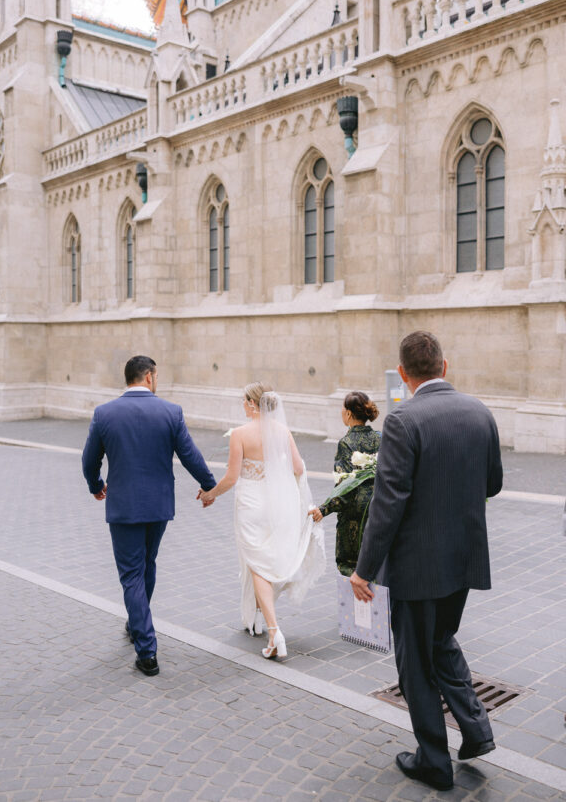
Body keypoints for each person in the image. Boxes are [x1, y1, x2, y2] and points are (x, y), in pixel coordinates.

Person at [350, 331, 503, 792]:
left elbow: (388, 503)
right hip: (464, 558)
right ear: (445, 365)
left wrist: (362, 569)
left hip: (418, 568)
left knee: (415, 663)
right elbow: (492, 484)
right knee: (442, 640)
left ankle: (434, 762)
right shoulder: (480, 411)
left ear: (403, 374)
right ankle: (476, 730)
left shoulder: (403, 421)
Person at [82, 355, 216, 677]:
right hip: (157, 507)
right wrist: (209, 484)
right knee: (147, 564)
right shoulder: (171, 412)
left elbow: (89, 460)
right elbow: (190, 455)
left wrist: (96, 485)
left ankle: (147, 652)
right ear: (150, 377)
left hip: (123, 506)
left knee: (131, 574)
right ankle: (136, 621)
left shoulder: (104, 413)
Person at [199, 382, 325, 659]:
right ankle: (264, 623)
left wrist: (211, 494)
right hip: (277, 505)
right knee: (265, 562)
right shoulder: (282, 431)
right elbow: (298, 468)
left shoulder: (240, 434)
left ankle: (273, 630)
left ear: (254, 404)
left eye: (244, 401)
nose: (242, 406)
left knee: (257, 564)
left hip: (251, 505)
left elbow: (231, 478)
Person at [309, 391, 381, 575]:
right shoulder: (380, 437)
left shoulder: (346, 443)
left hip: (355, 518)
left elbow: (345, 488)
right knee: (377, 569)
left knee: (354, 571)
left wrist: (323, 510)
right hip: (379, 511)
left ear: (348, 413)